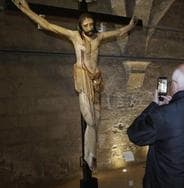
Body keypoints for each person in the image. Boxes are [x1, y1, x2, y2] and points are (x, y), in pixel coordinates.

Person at [12, 0, 137, 170]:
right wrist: (26, 9)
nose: (89, 27)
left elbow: (117, 32)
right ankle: (89, 156)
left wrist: (130, 25)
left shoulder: (98, 38)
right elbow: (47, 25)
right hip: (83, 79)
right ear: (80, 27)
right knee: (90, 120)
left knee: (97, 120)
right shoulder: (74, 36)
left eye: (91, 24)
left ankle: (89, 156)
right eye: (85, 25)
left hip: (95, 79)